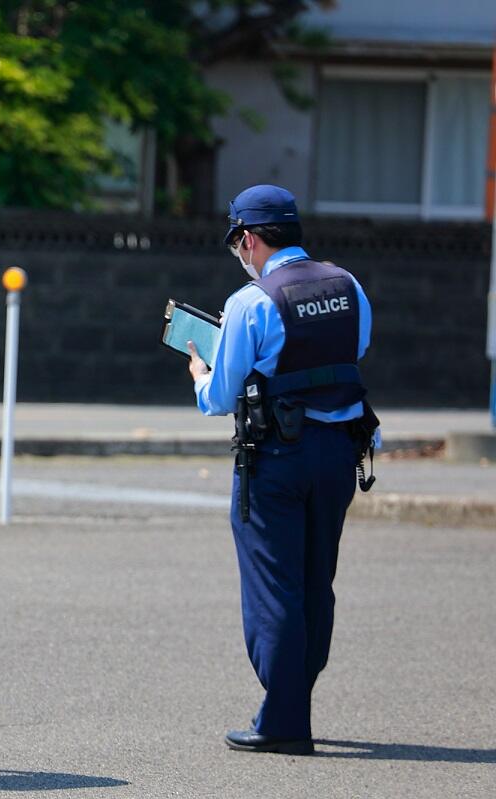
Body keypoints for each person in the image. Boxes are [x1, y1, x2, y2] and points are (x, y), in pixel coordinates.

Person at [185, 184, 377, 755]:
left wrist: (201, 369)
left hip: (276, 457)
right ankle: (293, 699)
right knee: (317, 580)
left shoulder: (252, 301)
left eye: (238, 244)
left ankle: (285, 718)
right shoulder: (349, 285)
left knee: (275, 588)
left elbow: (221, 397)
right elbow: (355, 350)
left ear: (247, 239)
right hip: (341, 452)